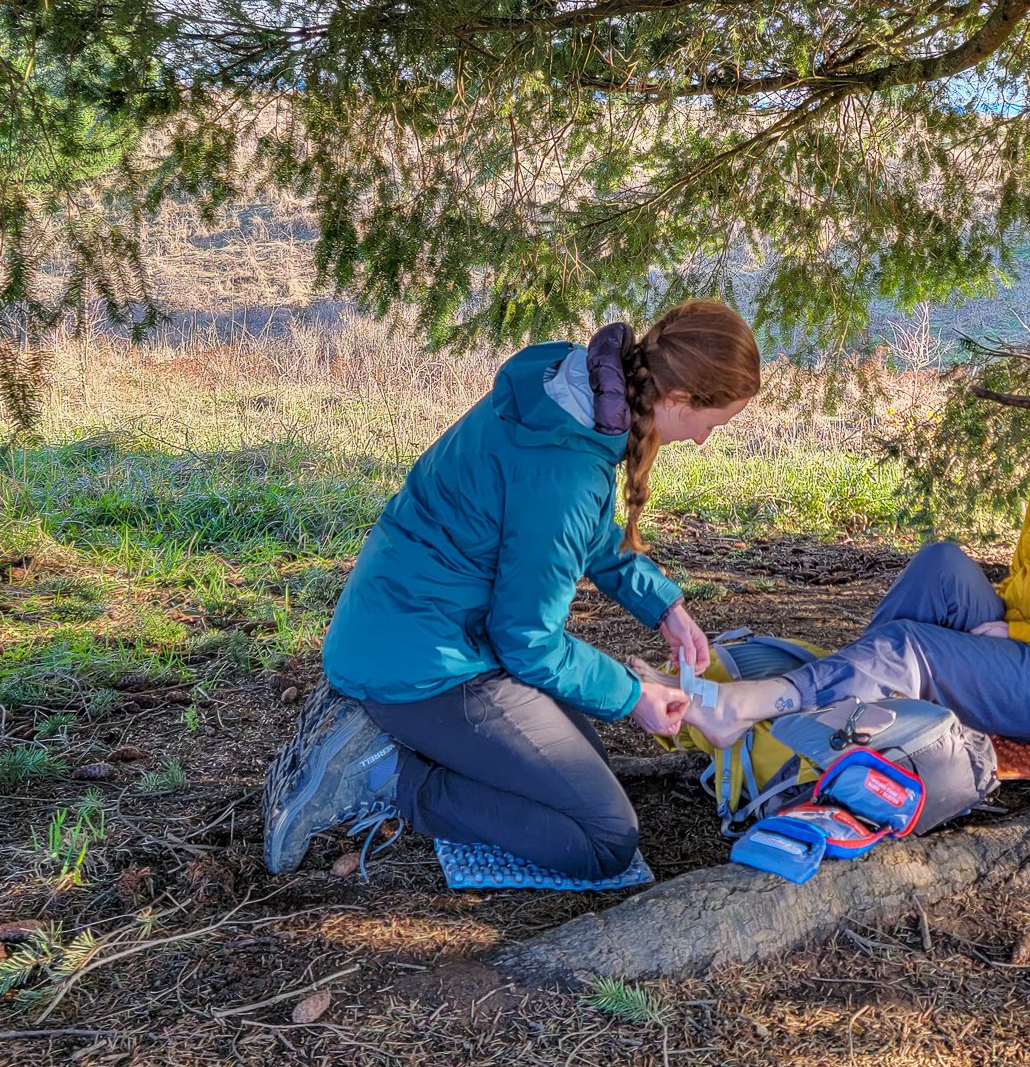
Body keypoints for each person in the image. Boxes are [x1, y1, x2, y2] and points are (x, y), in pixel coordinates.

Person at [262, 301, 761, 880]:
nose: (703, 441)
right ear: (677, 401)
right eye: (713, 424)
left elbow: (580, 531)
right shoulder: (567, 470)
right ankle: (384, 777)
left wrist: (664, 606)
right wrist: (632, 696)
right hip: (427, 666)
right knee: (603, 839)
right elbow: (529, 642)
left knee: (584, 772)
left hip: (412, 627)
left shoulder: (570, 394)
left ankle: (405, 739)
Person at [678, 315, 1030, 749]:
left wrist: (1019, 634)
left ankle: (746, 705)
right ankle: (846, 699)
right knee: (942, 563)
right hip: (1014, 642)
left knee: (912, 644)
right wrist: (1007, 627)